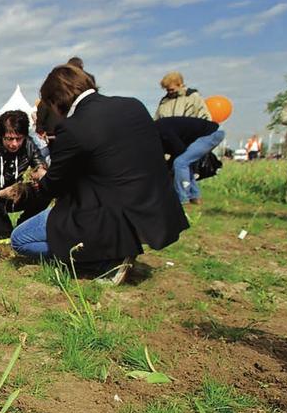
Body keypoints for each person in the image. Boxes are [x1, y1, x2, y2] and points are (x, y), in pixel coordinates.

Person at [11, 65, 188, 284]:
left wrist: (41, 177)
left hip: (106, 216)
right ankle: (114, 251)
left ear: (57, 100)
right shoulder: (134, 106)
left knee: (20, 239)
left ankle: (103, 262)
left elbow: (54, 186)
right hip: (151, 209)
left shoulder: (74, 128)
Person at [0, 110, 49, 239]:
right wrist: (1, 193)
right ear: (1, 136)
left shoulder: (28, 144)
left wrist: (41, 170)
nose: (14, 144)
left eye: (18, 138)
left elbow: (38, 162)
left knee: (45, 189)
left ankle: (25, 224)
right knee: (4, 236)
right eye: (9, 139)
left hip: (15, 195)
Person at [156, 117, 225, 205]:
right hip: (214, 132)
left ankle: (183, 198)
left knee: (180, 163)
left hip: (211, 133)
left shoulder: (162, 130)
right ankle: (195, 197)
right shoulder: (159, 129)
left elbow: (180, 149)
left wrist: (168, 164)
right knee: (184, 163)